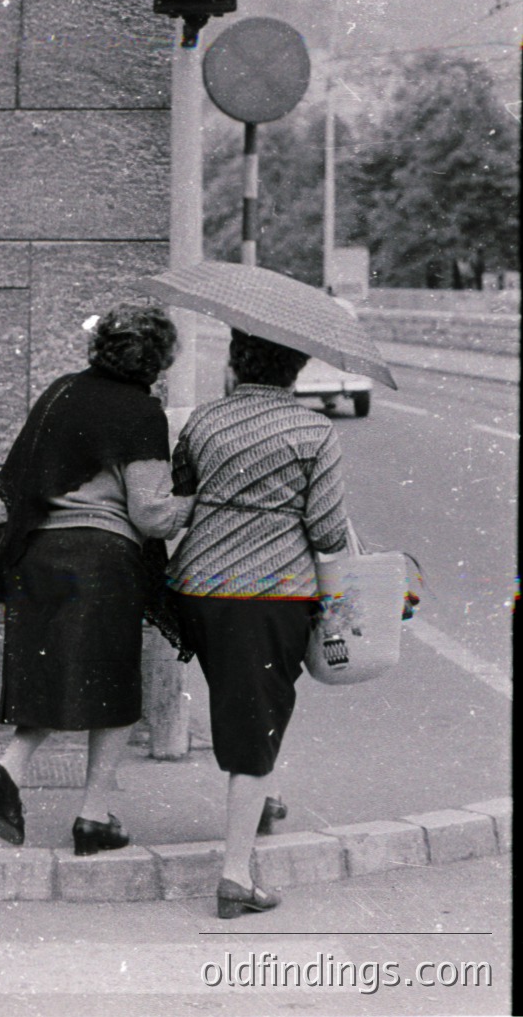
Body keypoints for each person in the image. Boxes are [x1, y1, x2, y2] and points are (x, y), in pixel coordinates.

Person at [0, 305, 194, 855]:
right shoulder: (142, 415)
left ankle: (7, 768)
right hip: (100, 558)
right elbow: (150, 516)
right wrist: (196, 497)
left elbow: (19, 474)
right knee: (114, 684)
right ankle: (94, 815)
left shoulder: (61, 391)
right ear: (159, 360)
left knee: (49, 675)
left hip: (36, 553)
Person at [167, 329, 349, 920]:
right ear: (296, 369)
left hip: (197, 587)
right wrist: (339, 611)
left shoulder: (204, 420)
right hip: (268, 591)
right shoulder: (314, 430)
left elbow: (182, 491)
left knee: (252, 699)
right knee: (254, 722)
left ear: (234, 363)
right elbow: (326, 534)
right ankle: (235, 876)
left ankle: (264, 799)